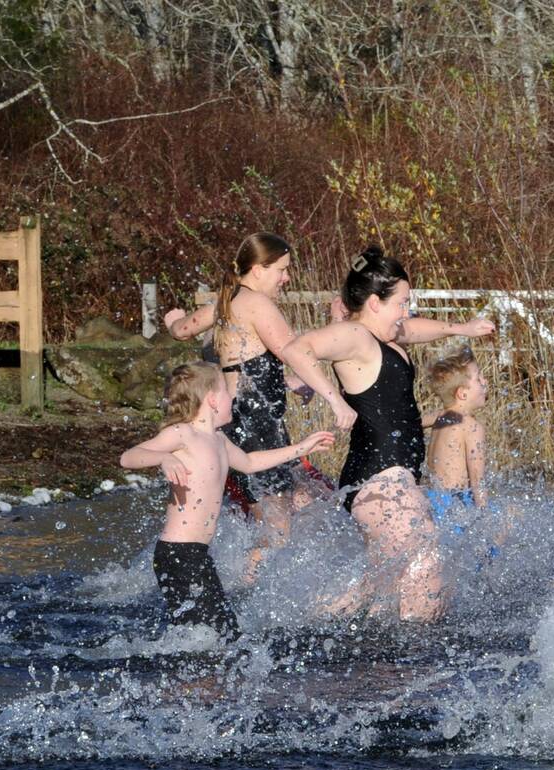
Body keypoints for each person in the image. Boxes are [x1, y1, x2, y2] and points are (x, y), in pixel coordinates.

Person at [281, 247, 495, 621]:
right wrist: (335, 401)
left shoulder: (389, 334)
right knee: (424, 555)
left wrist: (462, 329)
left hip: (392, 476)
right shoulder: (356, 336)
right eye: (402, 302)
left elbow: (416, 329)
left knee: (384, 582)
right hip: (378, 477)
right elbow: (298, 348)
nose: (406, 311)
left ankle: (308, 625)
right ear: (375, 303)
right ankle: (415, 655)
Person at [118, 362, 335, 632]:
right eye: (225, 391)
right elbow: (129, 457)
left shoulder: (219, 440)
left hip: (197, 554)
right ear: (211, 399)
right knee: (211, 638)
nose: (231, 398)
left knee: (219, 634)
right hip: (178, 554)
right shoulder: (182, 433)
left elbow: (251, 462)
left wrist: (301, 448)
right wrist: (162, 458)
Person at [161, 233, 314, 579]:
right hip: (253, 425)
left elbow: (185, 331)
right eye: (282, 269)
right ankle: (249, 592)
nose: (287, 278)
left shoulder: (226, 303)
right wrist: (331, 394)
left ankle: (246, 581)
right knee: (276, 526)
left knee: (293, 505)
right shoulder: (256, 305)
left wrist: (173, 320)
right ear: (259, 270)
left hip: (240, 421)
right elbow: (289, 352)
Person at [422, 350, 490, 529]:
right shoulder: (472, 426)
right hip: (456, 501)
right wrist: (484, 515)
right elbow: (477, 478)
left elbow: (415, 422)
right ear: (462, 394)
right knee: (509, 518)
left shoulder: (440, 417)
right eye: (478, 379)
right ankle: (486, 556)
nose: (485, 382)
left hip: (432, 499)